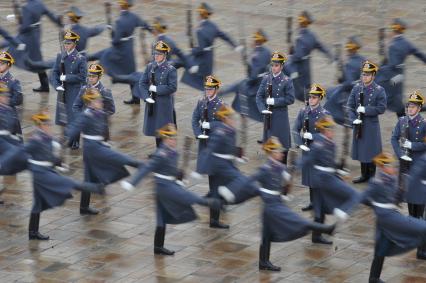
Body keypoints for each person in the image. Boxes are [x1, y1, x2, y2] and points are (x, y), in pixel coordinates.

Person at [219, 137, 336, 272]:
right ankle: (326, 229)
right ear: (272, 153)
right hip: (271, 207)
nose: (281, 153)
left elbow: (288, 177)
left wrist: (296, 167)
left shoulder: (279, 167)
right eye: (278, 151)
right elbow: (248, 180)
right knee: (297, 220)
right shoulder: (265, 169)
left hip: (275, 205)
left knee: (266, 235)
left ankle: (263, 262)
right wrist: (231, 191)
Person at [120, 123, 220, 255]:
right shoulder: (161, 154)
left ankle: (158, 247)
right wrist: (132, 182)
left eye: (175, 138)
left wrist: (179, 178)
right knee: (186, 196)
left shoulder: (173, 152)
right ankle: (207, 202)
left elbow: (172, 170)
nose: (174, 141)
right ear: (166, 139)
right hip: (163, 187)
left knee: (161, 218)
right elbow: (146, 169)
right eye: (172, 138)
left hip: (167, 184)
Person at [25, 112, 105, 240]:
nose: (50, 126)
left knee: (38, 203)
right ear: (40, 125)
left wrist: (59, 162)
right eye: (47, 124)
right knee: (61, 187)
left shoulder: (46, 137)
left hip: (44, 172)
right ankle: (94, 188)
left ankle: (33, 232)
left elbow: (49, 155)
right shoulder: (35, 140)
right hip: (39, 175)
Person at [66, 88, 140, 215]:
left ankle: (84, 207)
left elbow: (104, 129)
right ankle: (141, 165)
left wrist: (106, 141)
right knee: (119, 159)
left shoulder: (100, 113)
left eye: (100, 100)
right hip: (92, 149)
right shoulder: (86, 116)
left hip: (98, 146)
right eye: (97, 100)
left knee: (89, 178)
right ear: (90, 103)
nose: (100, 102)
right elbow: (73, 131)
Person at [361, 152, 426, 282]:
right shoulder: (377, 182)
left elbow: (397, 198)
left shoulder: (391, 179)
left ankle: (373, 278)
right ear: (383, 167)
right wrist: (378, 206)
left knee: (381, 247)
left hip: (388, 219)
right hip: (387, 218)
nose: (393, 168)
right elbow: (363, 198)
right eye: (391, 165)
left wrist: (403, 190)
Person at [305, 115, 360, 244]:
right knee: (352, 195)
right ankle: (340, 213)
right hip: (321, 179)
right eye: (329, 130)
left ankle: (317, 236)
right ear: (324, 130)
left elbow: (329, 162)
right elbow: (308, 160)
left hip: (326, 178)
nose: (332, 132)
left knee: (320, 207)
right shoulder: (318, 144)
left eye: (332, 130)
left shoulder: (331, 143)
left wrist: (337, 170)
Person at [89, 0, 152, 105]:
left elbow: (116, 40)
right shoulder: (134, 16)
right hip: (129, 48)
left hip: (120, 50)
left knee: (104, 59)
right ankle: (135, 98)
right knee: (131, 72)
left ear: (121, 5)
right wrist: (151, 30)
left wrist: (112, 34)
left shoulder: (120, 21)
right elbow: (144, 24)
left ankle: (114, 78)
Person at [199, 104, 246, 229]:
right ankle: (214, 220)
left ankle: (214, 219)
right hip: (217, 167)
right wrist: (201, 168)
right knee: (219, 191)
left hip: (226, 166)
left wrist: (238, 157)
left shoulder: (231, 131)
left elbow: (229, 149)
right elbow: (210, 150)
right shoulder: (220, 132)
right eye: (231, 118)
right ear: (225, 119)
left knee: (217, 193)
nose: (233, 120)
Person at [180, 2, 242, 91]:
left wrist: (192, 50)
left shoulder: (200, 31)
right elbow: (224, 36)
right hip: (210, 56)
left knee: (192, 74)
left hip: (202, 59)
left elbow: (200, 49)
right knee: (207, 77)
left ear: (201, 15)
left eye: (198, 14)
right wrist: (235, 45)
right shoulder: (212, 25)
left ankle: (212, 95)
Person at [218, 29, 271, 122]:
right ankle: (223, 93)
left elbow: (253, 76)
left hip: (257, 85)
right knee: (239, 84)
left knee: (239, 86)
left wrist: (248, 75)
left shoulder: (256, 56)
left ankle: (222, 94)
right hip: (264, 80)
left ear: (256, 41)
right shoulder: (266, 51)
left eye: (253, 39)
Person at [376, 19, 426, 117]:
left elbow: (392, 63)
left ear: (394, 30)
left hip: (392, 76)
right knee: (397, 104)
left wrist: (381, 68)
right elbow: (420, 54)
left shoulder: (394, 44)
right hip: (398, 76)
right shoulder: (406, 43)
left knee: (380, 89)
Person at [347, 61, 386, 183]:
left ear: (373, 76)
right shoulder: (356, 88)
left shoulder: (379, 90)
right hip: (359, 124)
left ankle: (372, 176)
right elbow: (350, 106)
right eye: (363, 74)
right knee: (361, 150)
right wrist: (354, 119)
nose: (365, 77)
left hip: (371, 124)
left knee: (371, 151)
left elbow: (381, 108)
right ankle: (364, 175)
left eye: (368, 75)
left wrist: (366, 110)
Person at [292, 83, 329, 211]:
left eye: (314, 97)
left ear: (320, 99)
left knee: (318, 178)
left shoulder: (324, 114)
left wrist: (313, 136)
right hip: (307, 149)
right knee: (309, 178)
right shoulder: (303, 112)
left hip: (319, 151)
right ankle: (313, 202)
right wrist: (301, 144)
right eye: (310, 97)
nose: (311, 100)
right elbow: (295, 129)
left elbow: (327, 136)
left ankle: (321, 203)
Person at [256, 51, 295, 163]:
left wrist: (274, 101)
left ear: (281, 66)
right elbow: (259, 96)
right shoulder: (266, 79)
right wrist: (262, 109)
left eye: (276, 65)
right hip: (268, 118)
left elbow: (290, 99)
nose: (274, 68)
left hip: (280, 118)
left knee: (282, 148)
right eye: (272, 65)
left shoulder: (287, 81)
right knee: (270, 149)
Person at [51, 30, 87, 149]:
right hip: (63, 90)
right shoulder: (60, 56)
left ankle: (75, 140)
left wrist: (67, 77)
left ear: (74, 44)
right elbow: (54, 73)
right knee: (64, 115)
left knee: (74, 116)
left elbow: (83, 77)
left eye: (69, 43)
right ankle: (68, 137)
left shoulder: (80, 58)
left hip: (75, 91)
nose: (66, 45)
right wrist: (57, 85)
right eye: (65, 43)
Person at [16, 0, 62, 92]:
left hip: (29, 35)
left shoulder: (26, 7)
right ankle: (44, 84)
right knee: (37, 57)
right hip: (37, 32)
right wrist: (59, 23)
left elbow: (25, 27)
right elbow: (51, 15)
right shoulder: (40, 3)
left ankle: (45, 85)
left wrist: (19, 26)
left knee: (15, 50)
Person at [139, 41, 177, 147]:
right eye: (155, 54)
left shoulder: (171, 70)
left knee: (164, 130)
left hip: (164, 104)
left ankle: (163, 151)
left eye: (159, 54)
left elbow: (172, 87)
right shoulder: (150, 66)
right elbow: (142, 83)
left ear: (165, 55)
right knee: (156, 130)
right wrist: (146, 97)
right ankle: (158, 150)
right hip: (152, 103)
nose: (156, 56)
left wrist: (155, 88)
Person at [289, 11, 333, 102]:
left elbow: (298, 55)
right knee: (306, 87)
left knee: (300, 93)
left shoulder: (300, 37)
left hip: (299, 66)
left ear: (301, 23)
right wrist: (330, 55)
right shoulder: (311, 35)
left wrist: (290, 57)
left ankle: (326, 94)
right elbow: (321, 46)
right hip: (306, 65)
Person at [324, 36, 365, 125]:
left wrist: (340, 82)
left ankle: (339, 117)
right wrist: (341, 69)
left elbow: (348, 83)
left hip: (350, 92)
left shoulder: (350, 63)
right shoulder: (362, 59)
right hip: (360, 90)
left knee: (328, 93)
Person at [191, 75, 223, 173]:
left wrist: (210, 125)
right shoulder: (201, 102)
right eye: (206, 89)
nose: (208, 91)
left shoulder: (221, 105)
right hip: (204, 139)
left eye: (210, 89)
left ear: (216, 89)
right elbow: (194, 119)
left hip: (216, 139)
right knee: (207, 168)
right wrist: (198, 133)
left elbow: (225, 125)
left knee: (216, 168)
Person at [0, 51, 23, 138]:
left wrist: (5, 101)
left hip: (8, 114)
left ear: (8, 65)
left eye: (2, 63)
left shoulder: (13, 81)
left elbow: (19, 99)